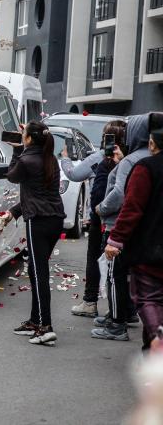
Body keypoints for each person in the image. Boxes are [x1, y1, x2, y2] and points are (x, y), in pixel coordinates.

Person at [0, 121, 66, 346]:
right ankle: (34, 320)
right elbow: (38, 193)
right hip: (55, 219)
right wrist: (14, 212)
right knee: (37, 269)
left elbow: (12, 175)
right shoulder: (51, 159)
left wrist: (16, 150)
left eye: (23, 133)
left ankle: (45, 327)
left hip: (37, 221)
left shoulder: (27, 160)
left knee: (39, 274)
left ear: (28, 139)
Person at [61, 120, 127, 318]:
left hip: (101, 215)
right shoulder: (131, 159)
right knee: (121, 263)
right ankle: (124, 308)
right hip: (127, 217)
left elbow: (73, 174)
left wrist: (65, 158)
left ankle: (90, 301)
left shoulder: (98, 158)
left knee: (95, 257)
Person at [94, 114, 151, 341]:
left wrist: (101, 208)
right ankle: (123, 314)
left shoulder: (132, 160)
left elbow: (121, 194)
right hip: (143, 228)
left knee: (115, 274)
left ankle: (117, 323)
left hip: (118, 225)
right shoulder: (147, 158)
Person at [105, 128, 163, 351]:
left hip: (149, 249)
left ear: (152, 145)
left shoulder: (146, 168)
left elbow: (132, 208)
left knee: (148, 299)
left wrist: (115, 240)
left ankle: (158, 342)